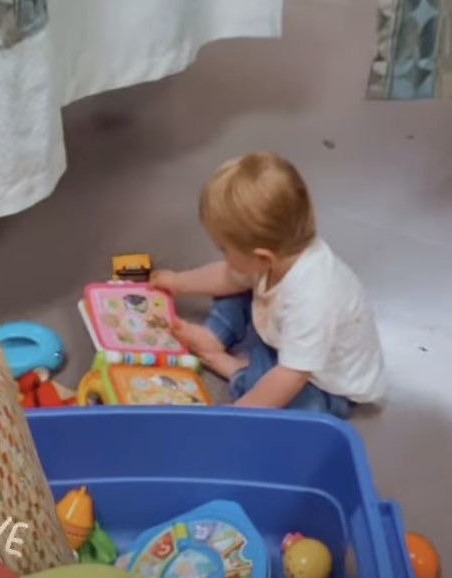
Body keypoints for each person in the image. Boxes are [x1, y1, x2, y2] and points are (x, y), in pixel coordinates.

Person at [151, 152, 385, 414]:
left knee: (295, 406)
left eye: (224, 249)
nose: (223, 256)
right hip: (285, 339)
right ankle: (213, 336)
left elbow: (292, 376)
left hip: (323, 380)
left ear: (262, 257)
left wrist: (239, 413)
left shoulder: (312, 298)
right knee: (233, 286)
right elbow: (227, 276)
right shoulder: (279, 255)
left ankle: (232, 367)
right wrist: (177, 283)